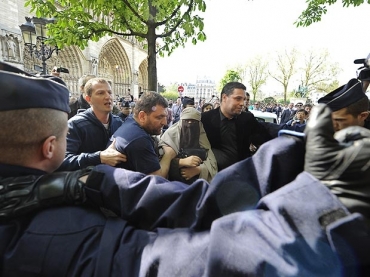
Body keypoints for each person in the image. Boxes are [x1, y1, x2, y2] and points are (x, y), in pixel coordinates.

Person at [2, 72, 370, 277]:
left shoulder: (59, 194)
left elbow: (191, 204)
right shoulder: (40, 233)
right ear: (51, 147)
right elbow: (183, 262)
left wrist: (300, 153)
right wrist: (322, 207)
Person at [58, 78, 126, 171]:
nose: (108, 97)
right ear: (88, 99)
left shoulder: (119, 123)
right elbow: (61, 161)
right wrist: (98, 157)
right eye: (100, 93)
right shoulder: (75, 125)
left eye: (109, 92)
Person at [201, 82, 272, 171]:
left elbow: (265, 136)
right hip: (213, 177)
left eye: (244, 99)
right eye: (238, 99)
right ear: (224, 98)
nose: (242, 103)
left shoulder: (247, 119)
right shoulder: (205, 119)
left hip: (240, 176)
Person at [110, 91, 176, 177]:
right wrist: (168, 154)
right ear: (142, 116)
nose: (165, 122)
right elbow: (156, 179)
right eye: (159, 117)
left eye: (165, 117)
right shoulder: (139, 139)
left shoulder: (130, 122)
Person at [159, 107, 218, 183]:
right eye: (186, 121)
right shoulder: (169, 137)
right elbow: (160, 165)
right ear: (181, 122)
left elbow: (212, 165)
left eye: (193, 122)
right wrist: (180, 162)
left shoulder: (202, 138)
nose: (190, 124)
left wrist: (199, 170)